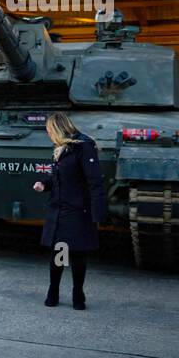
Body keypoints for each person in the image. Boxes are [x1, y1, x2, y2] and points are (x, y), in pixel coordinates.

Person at [33, 112, 106, 309]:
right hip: (61, 210)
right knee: (60, 252)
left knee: (78, 254)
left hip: (78, 211)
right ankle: (54, 291)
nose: (48, 134)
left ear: (58, 129)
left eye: (49, 130)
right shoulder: (62, 148)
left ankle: (78, 293)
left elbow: (95, 181)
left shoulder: (83, 147)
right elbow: (60, 178)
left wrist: (97, 214)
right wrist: (44, 184)